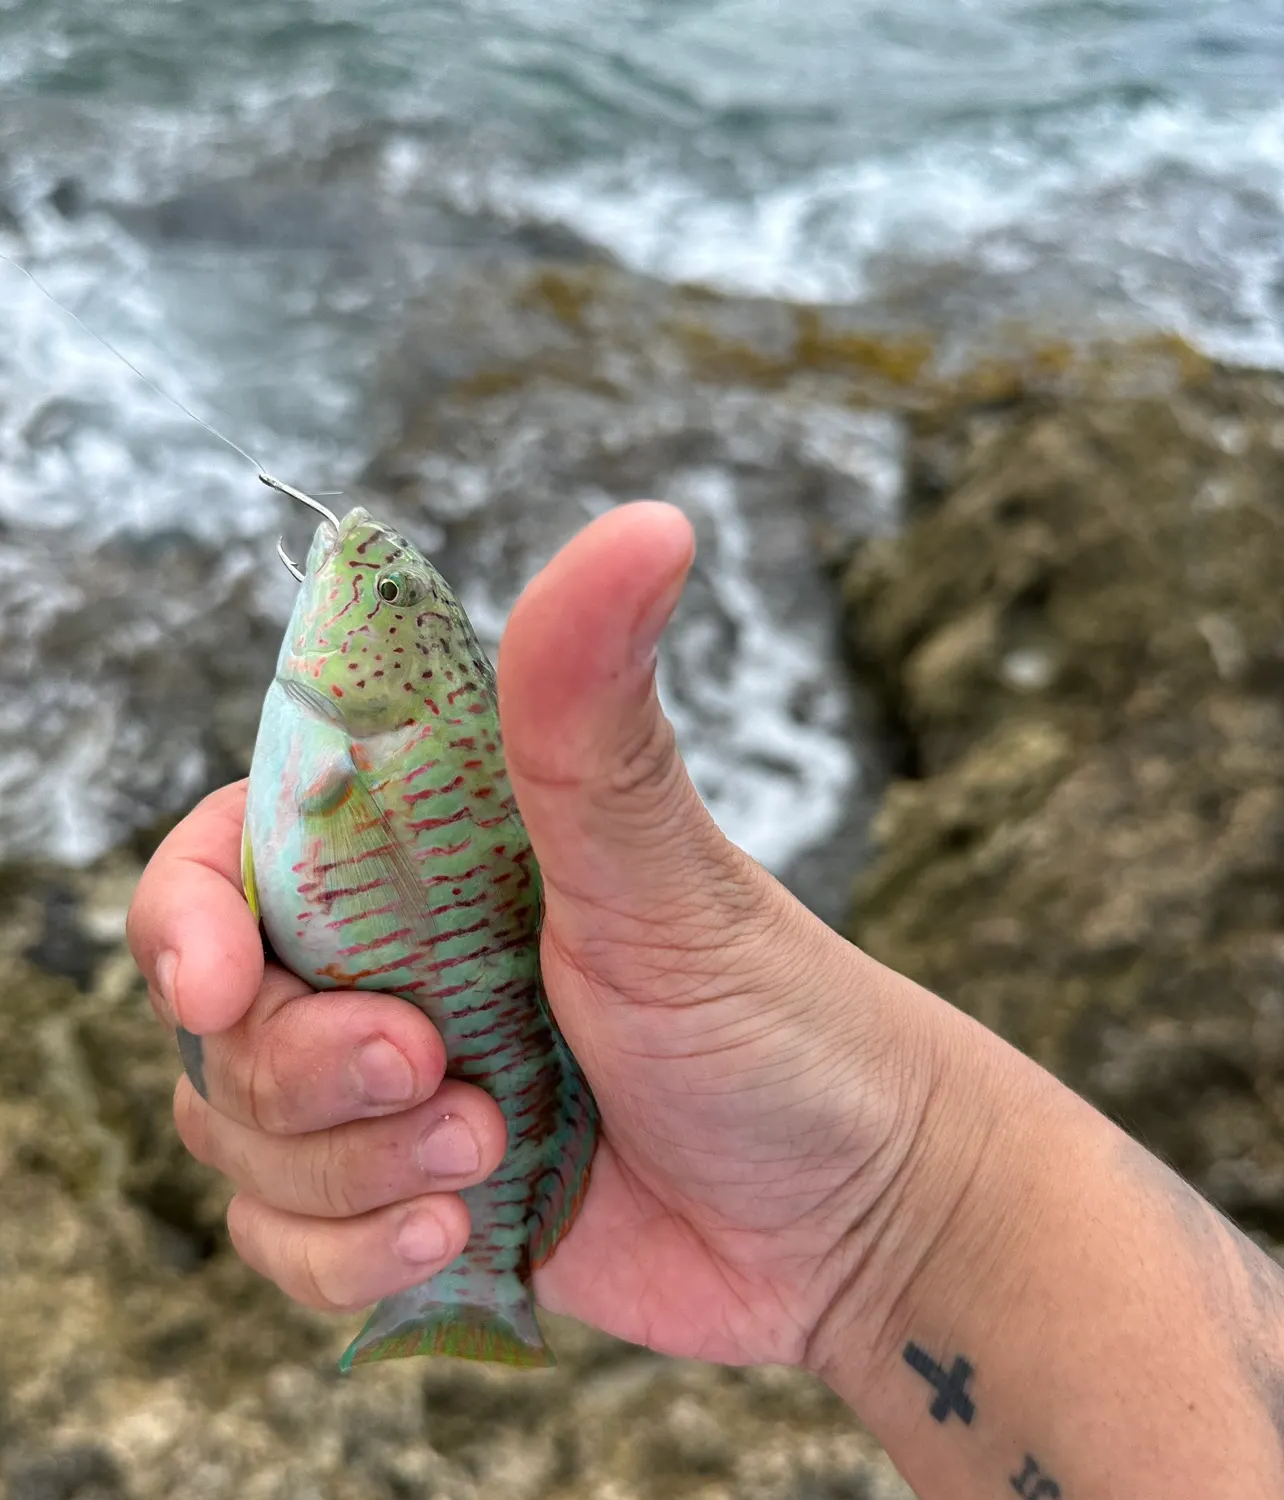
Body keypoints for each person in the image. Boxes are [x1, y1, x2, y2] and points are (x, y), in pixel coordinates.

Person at [127, 502, 1284, 1497]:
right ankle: (472, 1277)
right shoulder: (347, 742)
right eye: (380, 582)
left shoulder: (336, 752)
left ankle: (471, 1286)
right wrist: (890, 1219)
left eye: (378, 588)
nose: (355, 568)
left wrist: (891, 1230)